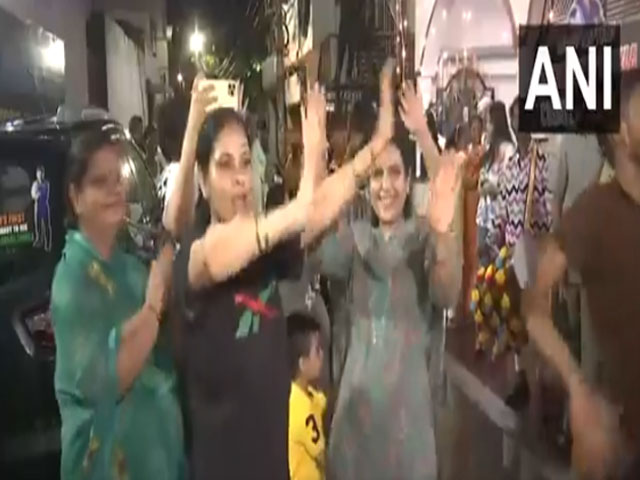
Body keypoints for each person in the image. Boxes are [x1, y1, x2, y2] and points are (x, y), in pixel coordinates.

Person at [170, 62, 396, 479]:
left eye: (245, 162)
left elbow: (321, 206)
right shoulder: (196, 255)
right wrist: (306, 189)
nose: (240, 178)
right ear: (202, 181)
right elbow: (228, 252)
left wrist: (378, 143)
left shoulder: (265, 249)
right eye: (224, 164)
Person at [323, 81, 462, 479]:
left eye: (395, 173)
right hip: (356, 432)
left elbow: (447, 291)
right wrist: (326, 160)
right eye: (376, 175)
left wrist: (422, 134)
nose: (385, 186)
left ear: (409, 180)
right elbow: (310, 244)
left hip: (410, 434)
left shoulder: (426, 239)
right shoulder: (353, 242)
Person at [50, 127, 184, 479]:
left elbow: (163, 354)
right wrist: (153, 306)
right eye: (100, 182)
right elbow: (110, 378)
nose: (115, 190)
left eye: (118, 179)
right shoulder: (71, 281)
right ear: (76, 197)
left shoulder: (130, 268)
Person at [525, 72, 640, 480]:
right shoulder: (594, 212)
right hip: (622, 441)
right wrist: (577, 388)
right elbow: (533, 306)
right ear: (622, 131)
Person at [287, 312, 327, 480]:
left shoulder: (294, 395)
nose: (322, 355)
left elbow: (320, 400)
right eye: (317, 351)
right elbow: (322, 457)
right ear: (302, 363)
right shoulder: (303, 412)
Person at [476, 101, 516, 267]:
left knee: (497, 270)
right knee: (482, 267)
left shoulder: (509, 150)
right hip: (483, 217)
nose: (487, 127)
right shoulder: (489, 149)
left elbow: (511, 184)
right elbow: (482, 177)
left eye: (489, 123)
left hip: (498, 220)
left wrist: (494, 189)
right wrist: (481, 184)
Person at [458, 115, 484, 321]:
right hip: (464, 203)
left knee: (474, 250)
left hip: (476, 200)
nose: (474, 132)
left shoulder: (483, 152)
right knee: (465, 251)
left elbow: (474, 179)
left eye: (478, 129)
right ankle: (463, 301)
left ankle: (473, 300)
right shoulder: (467, 151)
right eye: (472, 129)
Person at [31, 165, 52, 251]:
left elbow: (47, 195)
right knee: (38, 225)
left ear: (43, 174)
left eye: (41, 174)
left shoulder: (46, 183)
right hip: (37, 206)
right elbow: (33, 195)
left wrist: (40, 193)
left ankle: (48, 244)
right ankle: (39, 240)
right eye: (39, 174)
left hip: (45, 206)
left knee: (46, 226)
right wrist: (37, 195)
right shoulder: (35, 184)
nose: (40, 175)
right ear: (37, 174)